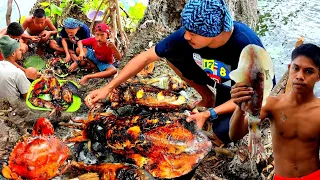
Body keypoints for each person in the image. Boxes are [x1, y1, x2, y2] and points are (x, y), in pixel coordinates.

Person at [85, 0, 267, 145]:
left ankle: (213, 110)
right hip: (217, 77)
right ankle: (207, 97)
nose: (187, 36)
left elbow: (258, 97)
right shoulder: (189, 35)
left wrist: (208, 114)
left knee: (222, 134)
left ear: (214, 32)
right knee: (171, 55)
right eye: (186, 30)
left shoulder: (248, 49)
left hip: (243, 94)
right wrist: (108, 88)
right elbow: (146, 57)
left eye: (193, 33)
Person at [229, 43, 320, 179]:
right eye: (296, 68)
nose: (300, 76)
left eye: (309, 71)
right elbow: (235, 135)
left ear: (319, 76)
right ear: (289, 69)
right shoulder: (272, 104)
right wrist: (239, 107)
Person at [0, 35, 31, 102]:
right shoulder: (17, 72)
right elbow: (28, 98)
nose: (21, 52)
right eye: (19, 50)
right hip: (13, 108)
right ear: (13, 54)